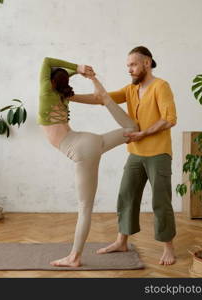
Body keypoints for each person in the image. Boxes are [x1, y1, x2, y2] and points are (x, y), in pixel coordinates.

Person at [72, 46, 177, 265]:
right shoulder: (130, 90)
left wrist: (144, 133)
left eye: (133, 64)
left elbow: (169, 118)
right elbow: (102, 98)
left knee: (161, 201)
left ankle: (168, 247)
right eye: (127, 65)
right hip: (135, 154)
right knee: (126, 196)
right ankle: (122, 241)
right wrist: (70, 97)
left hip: (159, 153)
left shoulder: (161, 86)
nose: (129, 69)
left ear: (146, 63)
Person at [38, 57, 138, 267]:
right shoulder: (64, 95)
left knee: (85, 207)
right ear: (64, 82)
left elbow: (46, 61)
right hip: (93, 141)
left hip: (81, 149)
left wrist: (77, 69)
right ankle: (107, 100)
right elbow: (59, 75)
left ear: (49, 82)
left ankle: (74, 257)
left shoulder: (48, 93)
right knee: (132, 129)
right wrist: (85, 73)